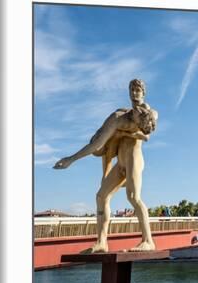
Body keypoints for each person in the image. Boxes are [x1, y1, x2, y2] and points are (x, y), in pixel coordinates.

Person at [54, 78, 158, 253]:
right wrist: (71, 159)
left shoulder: (151, 114)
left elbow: (147, 135)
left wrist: (128, 133)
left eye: (138, 90)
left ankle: (148, 241)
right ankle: (102, 242)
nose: (134, 93)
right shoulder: (119, 118)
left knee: (133, 197)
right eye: (132, 90)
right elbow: (96, 145)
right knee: (101, 196)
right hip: (121, 161)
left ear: (144, 93)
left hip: (134, 158)